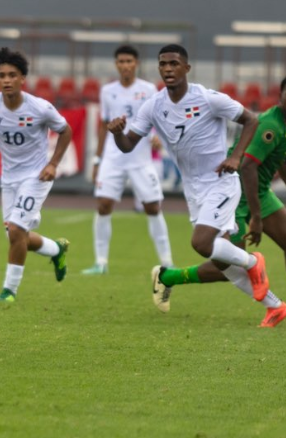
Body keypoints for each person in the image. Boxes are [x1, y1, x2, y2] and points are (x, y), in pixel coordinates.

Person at [108, 43, 269, 317]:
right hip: (194, 190)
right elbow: (127, 145)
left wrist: (236, 157)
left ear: (186, 68)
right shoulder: (153, 106)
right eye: (163, 64)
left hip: (222, 181)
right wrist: (116, 133)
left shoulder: (208, 98)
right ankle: (275, 307)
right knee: (223, 264)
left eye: (173, 63)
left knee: (202, 244)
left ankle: (253, 262)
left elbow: (251, 120)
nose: (168, 69)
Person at [153, 76, 286, 327]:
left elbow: (280, 159)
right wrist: (256, 217)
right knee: (226, 265)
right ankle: (168, 276)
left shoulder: (283, 127)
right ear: (280, 96)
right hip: (237, 193)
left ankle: (277, 308)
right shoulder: (271, 125)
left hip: (261, 192)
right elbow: (246, 168)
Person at [0, 47, 71, 303]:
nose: (7, 80)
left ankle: (9, 291)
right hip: (9, 179)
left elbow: (65, 130)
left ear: (23, 79)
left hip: (37, 176)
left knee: (18, 229)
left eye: (12, 75)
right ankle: (56, 249)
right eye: (2, 75)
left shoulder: (40, 108)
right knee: (15, 236)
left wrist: (53, 164)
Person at [83, 45, 174, 275]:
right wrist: (96, 159)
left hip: (140, 158)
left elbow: (156, 119)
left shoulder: (148, 89)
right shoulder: (107, 91)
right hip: (113, 159)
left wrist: (155, 138)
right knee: (103, 205)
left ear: (136, 63)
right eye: (121, 61)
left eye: (129, 61)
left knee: (152, 207)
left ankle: (168, 261)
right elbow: (104, 126)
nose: (125, 65)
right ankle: (100, 262)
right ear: (116, 64)